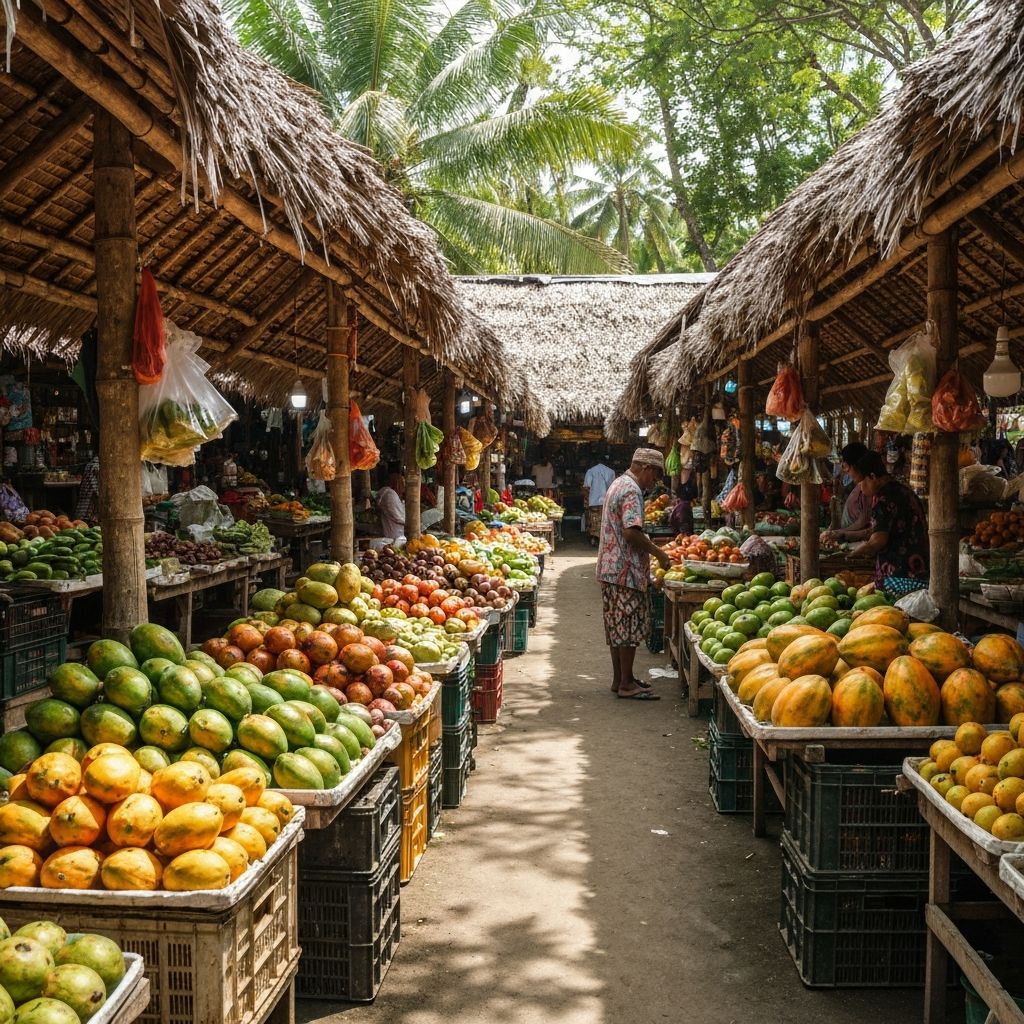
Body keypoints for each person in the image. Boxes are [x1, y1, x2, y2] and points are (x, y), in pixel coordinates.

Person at [597, 448, 673, 701]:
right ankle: (627, 684)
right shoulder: (632, 490)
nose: (655, 482)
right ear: (646, 468)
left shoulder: (618, 483)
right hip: (625, 569)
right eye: (655, 476)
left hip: (610, 568)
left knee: (617, 627)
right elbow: (631, 532)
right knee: (628, 627)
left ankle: (621, 679)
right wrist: (659, 554)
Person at [851, 451, 929, 594]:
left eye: (861, 482)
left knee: (893, 615)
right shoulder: (903, 490)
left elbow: (878, 541)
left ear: (873, 477)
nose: (860, 489)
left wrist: (854, 554)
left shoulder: (883, 498)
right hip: (920, 572)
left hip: (899, 577)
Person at [824, 441, 872, 543]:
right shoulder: (860, 485)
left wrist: (841, 533)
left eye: (846, 467)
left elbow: (863, 521)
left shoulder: (868, 489)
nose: (845, 471)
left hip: (856, 542)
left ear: (857, 465)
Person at [376, 467, 406, 540]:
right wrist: (411, 522)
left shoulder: (389, 494)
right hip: (394, 534)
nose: (404, 487)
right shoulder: (390, 494)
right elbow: (397, 516)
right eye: (402, 483)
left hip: (395, 532)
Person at [76, 454, 100, 523]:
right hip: (88, 516)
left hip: (85, 514)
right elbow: (97, 493)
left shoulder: (92, 465)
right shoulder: (95, 467)